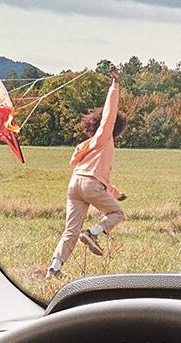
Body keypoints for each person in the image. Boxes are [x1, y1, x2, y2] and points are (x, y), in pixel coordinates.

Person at [46, 76, 126, 277]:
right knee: (117, 214)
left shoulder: (88, 145)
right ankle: (93, 233)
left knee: (70, 231)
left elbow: (100, 177)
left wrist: (115, 193)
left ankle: (54, 269)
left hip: (75, 184)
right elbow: (109, 113)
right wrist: (115, 85)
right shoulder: (104, 137)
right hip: (90, 185)